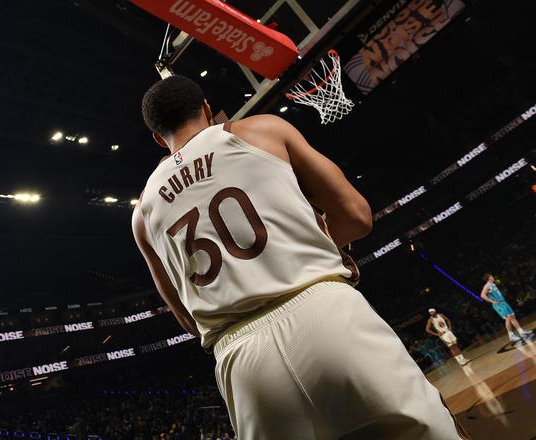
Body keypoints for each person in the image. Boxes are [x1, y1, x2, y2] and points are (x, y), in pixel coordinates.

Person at [132, 75, 467, 439]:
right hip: (323, 313)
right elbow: (356, 216)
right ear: (206, 108)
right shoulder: (261, 131)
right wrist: (314, 242)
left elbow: (186, 319)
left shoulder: (142, 214)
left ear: (157, 138)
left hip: (240, 358)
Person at [480, 273, 531, 342]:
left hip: (503, 302)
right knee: (508, 318)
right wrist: (492, 301)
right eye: (491, 276)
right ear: (489, 278)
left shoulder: (493, 284)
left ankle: (521, 332)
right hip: (499, 304)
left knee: (512, 317)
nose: (493, 277)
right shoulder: (487, 285)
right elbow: (482, 295)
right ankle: (511, 336)